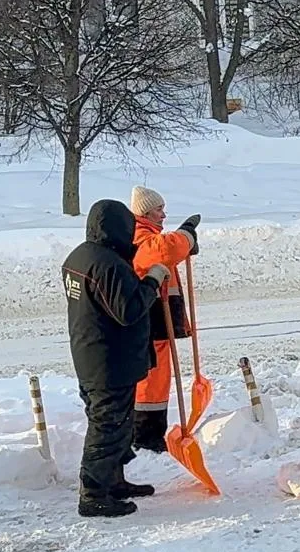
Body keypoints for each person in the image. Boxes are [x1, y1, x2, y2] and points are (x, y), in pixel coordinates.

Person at [63, 199, 170, 517]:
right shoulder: (107, 264)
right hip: (108, 360)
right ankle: (94, 494)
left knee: (118, 424)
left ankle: (114, 481)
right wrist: (152, 280)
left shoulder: (80, 256)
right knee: (107, 425)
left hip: (95, 354)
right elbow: (130, 310)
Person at [127, 186, 201, 458]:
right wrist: (185, 238)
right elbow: (164, 251)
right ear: (145, 211)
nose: (163, 214)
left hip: (158, 317)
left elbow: (168, 253)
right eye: (159, 209)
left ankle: (151, 432)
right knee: (152, 378)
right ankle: (146, 435)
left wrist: (184, 247)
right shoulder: (140, 236)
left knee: (158, 377)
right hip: (151, 317)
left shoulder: (149, 237)